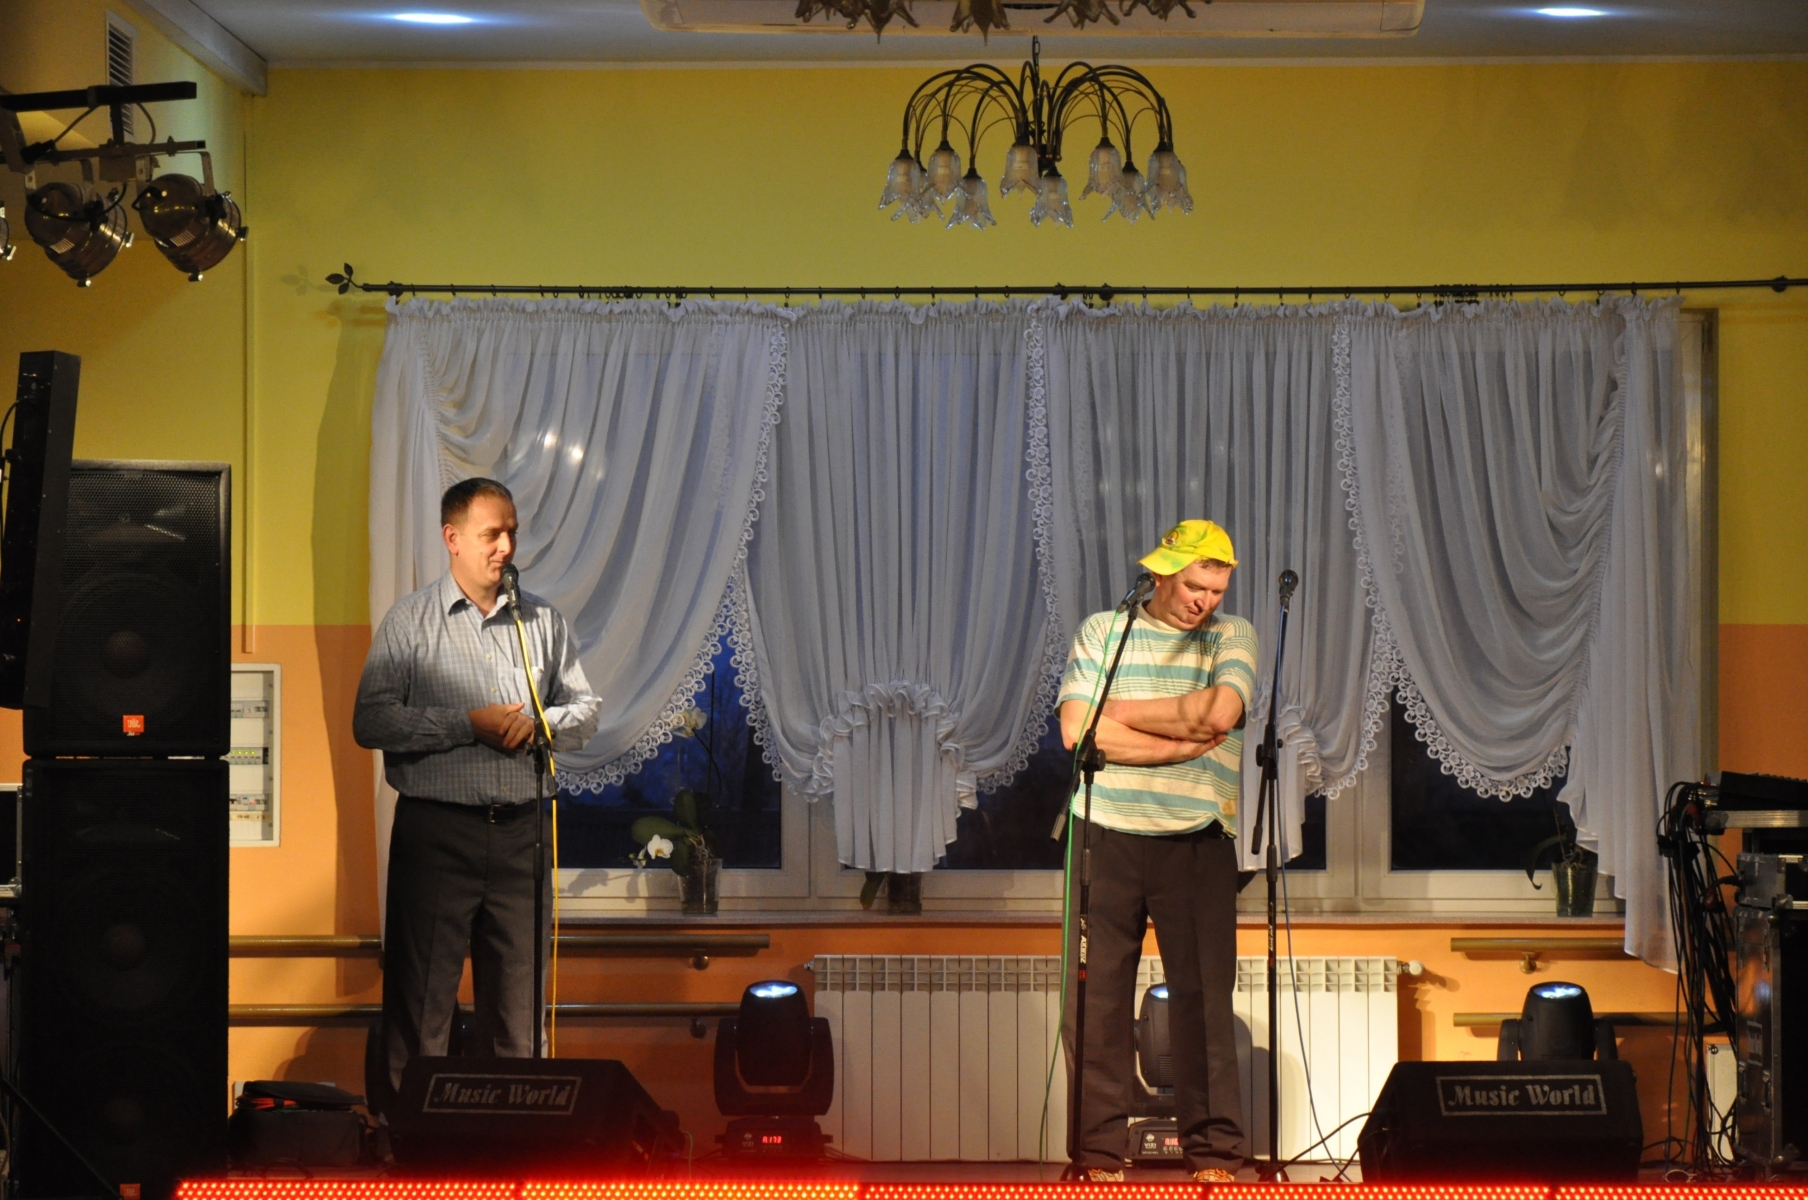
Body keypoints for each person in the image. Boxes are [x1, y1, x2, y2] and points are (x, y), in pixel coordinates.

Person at [353, 477, 601, 1103]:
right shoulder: (410, 623)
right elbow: (371, 721)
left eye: (512, 532)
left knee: (520, 1011)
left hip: (522, 837)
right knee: (422, 1006)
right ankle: (411, 1142)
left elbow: (586, 710)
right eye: (492, 534)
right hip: (437, 834)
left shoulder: (541, 621)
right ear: (453, 538)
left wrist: (538, 722)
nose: (507, 547)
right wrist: (468, 724)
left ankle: (510, 1140)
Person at [1058, 519, 1258, 1182]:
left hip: (1198, 839)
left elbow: (1219, 716)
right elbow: (1077, 732)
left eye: (1216, 589)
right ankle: (1098, 1156)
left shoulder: (1233, 636)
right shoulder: (1104, 631)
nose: (1206, 601)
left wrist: (1116, 712)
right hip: (1104, 833)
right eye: (1196, 585)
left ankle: (1215, 1156)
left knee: (1204, 1004)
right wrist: (1179, 744)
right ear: (1161, 574)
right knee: (1097, 1005)